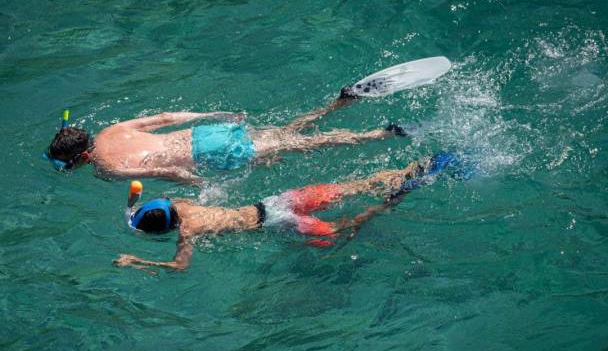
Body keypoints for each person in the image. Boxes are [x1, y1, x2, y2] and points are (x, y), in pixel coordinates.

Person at [113, 153, 462, 272]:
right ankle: (416, 168)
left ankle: (395, 198)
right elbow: (152, 208)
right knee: (354, 186)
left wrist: (138, 261)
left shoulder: (188, 231)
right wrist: (134, 210)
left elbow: (180, 267)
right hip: (276, 200)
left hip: (280, 221)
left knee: (345, 229)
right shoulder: (182, 205)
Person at [45, 87, 407, 184]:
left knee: (300, 145)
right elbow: (167, 116)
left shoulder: (105, 168)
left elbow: (168, 172)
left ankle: (378, 134)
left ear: (82, 158)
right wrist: (213, 115)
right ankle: (336, 105)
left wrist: (200, 187)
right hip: (207, 131)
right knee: (281, 135)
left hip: (211, 154)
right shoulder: (112, 131)